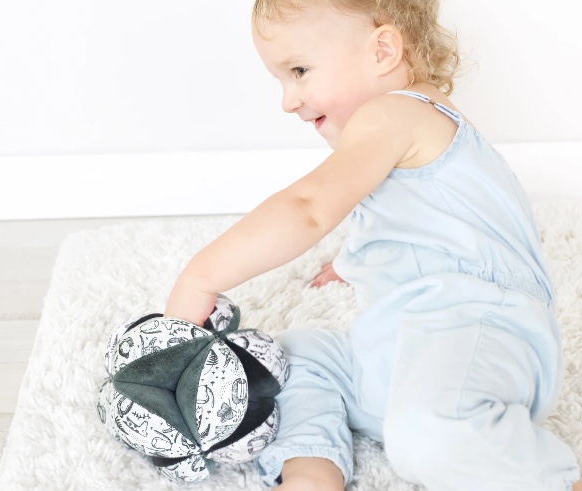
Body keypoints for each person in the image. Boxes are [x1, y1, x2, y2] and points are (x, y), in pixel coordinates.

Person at [165, 0, 582, 489]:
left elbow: (309, 207)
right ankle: (310, 467)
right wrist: (350, 262)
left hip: (481, 328)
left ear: (383, 51)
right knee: (289, 360)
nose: (288, 101)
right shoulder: (383, 138)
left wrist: (201, 277)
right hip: (404, 345)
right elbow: (408, 226)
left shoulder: (399, 113)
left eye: (299, 71)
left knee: (427, 435)